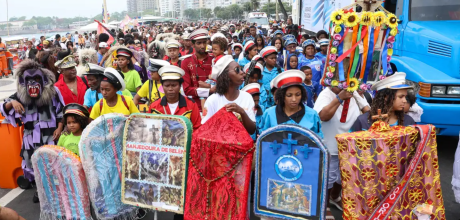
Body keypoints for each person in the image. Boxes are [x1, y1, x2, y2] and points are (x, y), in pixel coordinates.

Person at [0, 60, 65, 203]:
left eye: (36, 79)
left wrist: (59, 128)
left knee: (52, 163)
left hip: (50, 136)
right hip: (30, 137)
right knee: (31, 164)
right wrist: (13, 103)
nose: (33, 83)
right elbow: (3, 107)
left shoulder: (53, 92)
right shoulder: (20, 94)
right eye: (29, 79)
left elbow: (61, 112)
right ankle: (40, 191)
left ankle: (54, 192)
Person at [313, 78, 370, 211]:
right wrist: (339, 98)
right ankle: (324, 207)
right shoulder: (326, 94)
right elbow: (323, 116)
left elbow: (368, 113)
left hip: (349, 145)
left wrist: (357, 95)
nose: (344, 85)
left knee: (343, 176)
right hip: (330, 144)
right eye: (340, 82)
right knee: (328, 178)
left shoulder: (353, 94)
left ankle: (335, 197)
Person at [260, 70, 323, 138]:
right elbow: (263, 140)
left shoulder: (312, 115)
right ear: (282, 96)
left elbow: (318, 141)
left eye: (298, 95)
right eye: (289, 95)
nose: (294, 99)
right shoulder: (269, 114)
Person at [202, 55, 256, 134]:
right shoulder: (212, 100)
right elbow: (205, 130)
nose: (242, 73)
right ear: (226, 75)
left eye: (241, 69)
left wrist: (242, 112)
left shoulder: (247, 97)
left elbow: (252, 130)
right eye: (237, 69)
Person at [351, 72, 415, 131]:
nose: (405, 101)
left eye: (405, 97)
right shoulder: (363, 121)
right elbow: (350, 141)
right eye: (401, 97)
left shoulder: (408, 122)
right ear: (386, 97)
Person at [149, 65, 202, 130]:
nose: (170, 89)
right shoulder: (154, 106)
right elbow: (150, 130)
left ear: (180, 86)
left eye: (174, 85)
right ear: (162, 86)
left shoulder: (191, 105)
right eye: (167, 86)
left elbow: (197, 129)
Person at [181, 28, 215, 110]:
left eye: (204, 42)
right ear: (193, 45)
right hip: (195, 106)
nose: (202, 46)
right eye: (199, 43)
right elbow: (187, 89)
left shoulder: (214, 59)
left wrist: (209, 87)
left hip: (215, 103)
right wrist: (209, 90)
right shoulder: (186, 62)